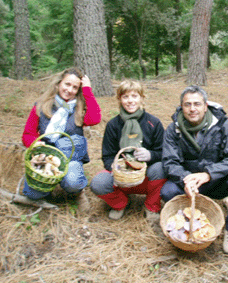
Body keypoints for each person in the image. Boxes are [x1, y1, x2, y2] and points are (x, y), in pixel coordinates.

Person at [160, 85, 228, 255]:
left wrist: (209, 174)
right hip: (190, 185)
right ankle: (191, 226)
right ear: (182, 106)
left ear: (205, 106)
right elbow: (169, 162)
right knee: (167, 191)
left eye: (197, 104)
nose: (192, 109)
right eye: (187, 104)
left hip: (216, 181)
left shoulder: (221, 125)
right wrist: (186, 179)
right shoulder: (173, 129)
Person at [90, 80, 166, 232]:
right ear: (119, 99)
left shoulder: (153, 122)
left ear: (142, 98)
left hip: (146, 177)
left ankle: (151, 207)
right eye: (125, 97)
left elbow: (164, 152)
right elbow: (107, 155)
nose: (130, 101)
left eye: (134, 96)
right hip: (121, 179)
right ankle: (121, 203)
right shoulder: (113, 125)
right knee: (98, 183)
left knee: (161, 168)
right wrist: (116, 168)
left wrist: (150, 155)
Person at [22, 67, 101, 212]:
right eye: (67, 84)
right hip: (45, 157)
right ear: (59, 84)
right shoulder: (41, 105)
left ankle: (77, 193)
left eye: (75, 87)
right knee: (33, 194)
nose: (69, 90)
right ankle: (46, 188)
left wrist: (88, 91)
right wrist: (35, 144)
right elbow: (28, 134)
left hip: (70, 157)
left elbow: (95, 119)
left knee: (73, 181)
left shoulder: (79, 108)